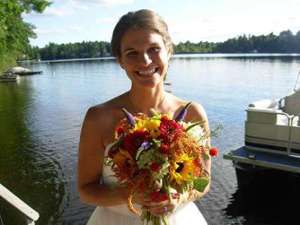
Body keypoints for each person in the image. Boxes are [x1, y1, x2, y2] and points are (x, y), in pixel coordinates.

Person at [77, 9, 211, 225]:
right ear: (120, 60)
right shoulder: (98, 118)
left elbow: (203, 181)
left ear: (169, 51)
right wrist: (129, 194)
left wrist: (179, 198)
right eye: (131, 53)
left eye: (154, 49)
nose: (145, 61)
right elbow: (86, 190)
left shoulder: (193, 112)